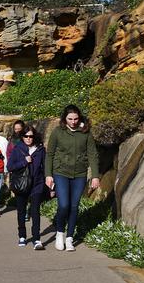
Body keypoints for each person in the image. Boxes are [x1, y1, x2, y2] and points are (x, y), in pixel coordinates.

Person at [45, 104, 100, 252]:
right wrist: (48, 174)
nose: (73, 122)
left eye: (76, 118)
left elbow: (92, 155)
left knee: (74, 206)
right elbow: (49, 154)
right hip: (61, 172)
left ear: (79, 117)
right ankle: (60, 233)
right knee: (64, 205)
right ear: (65, 118)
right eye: (70, 119)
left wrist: (95, 175)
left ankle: (69, 238)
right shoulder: (58, 132)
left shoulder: (85, 132)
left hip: (80, 174)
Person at [7, 125, 46, 250]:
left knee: (35, 211)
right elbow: (10, 166)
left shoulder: (40, 149)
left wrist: (50, 183)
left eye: (31, 136)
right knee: (22, 211)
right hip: (22, 184)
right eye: (26, 136)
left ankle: (36, 238)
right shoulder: (18, 149)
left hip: (37, 184)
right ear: (22, 137)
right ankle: (22, 236)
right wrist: (24, 161)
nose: (29, 139)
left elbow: (45, 167)